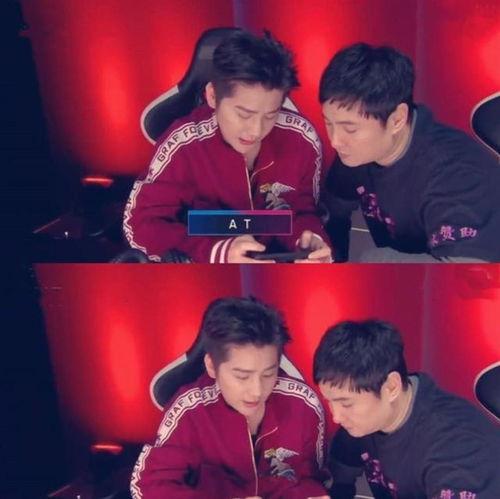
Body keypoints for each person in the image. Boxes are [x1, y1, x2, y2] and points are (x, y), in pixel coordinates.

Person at [123, 30, 332, 263]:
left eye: (270, 115)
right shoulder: (183, 145)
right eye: (244, 114)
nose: (256, 130)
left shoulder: (302, 140)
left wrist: (310, 239)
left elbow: (303, 211)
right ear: (212, 96)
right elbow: (140, 224)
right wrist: (217, 253)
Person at [130, 297, 330, 498]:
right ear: (211, 366)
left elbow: (312, 477)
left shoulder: (304, 405)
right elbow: (146, 486)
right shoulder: (190, 410)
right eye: (242, 376)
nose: (257, 391)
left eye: (268, 374)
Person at [319, 42, 500, 262]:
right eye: (328, 123)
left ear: (397, 119)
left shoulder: (455, 173)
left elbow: (464, 273)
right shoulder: (356, 152)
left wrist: (376, 260)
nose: (335, 141)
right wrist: (325, 252)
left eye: (350, 129)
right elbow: (334, 210)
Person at [313, 319, 500, 498]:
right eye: (329, 401)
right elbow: (339, 481)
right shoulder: (362, 424)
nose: (336, 416)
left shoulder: (456, 447)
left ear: (391, 387)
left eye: (346, 404)